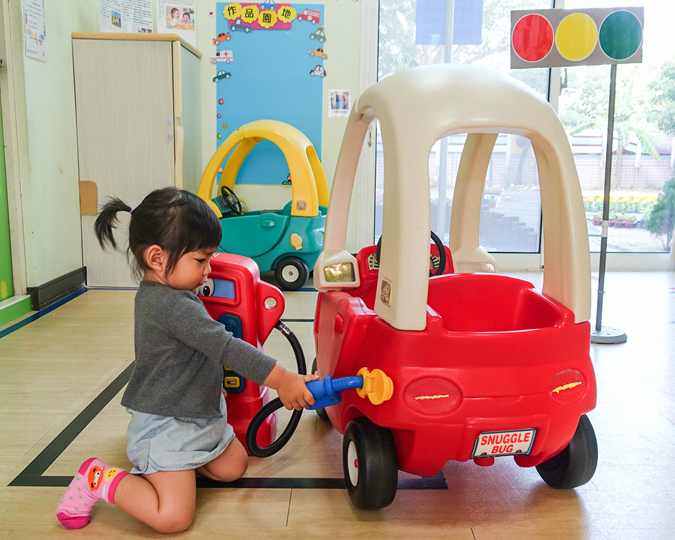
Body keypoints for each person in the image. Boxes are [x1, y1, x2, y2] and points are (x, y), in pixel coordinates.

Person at [55, 187, 317, 533]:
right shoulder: (170, 305)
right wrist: (284, 380)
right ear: (157, 258)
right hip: (168, 424)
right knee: (173, 519)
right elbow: (226, 348)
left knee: (234, 466)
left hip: (197, 413)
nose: (209, 270)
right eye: (200, 260)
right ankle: (95, 477)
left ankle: (176, 470)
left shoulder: (173, 293)